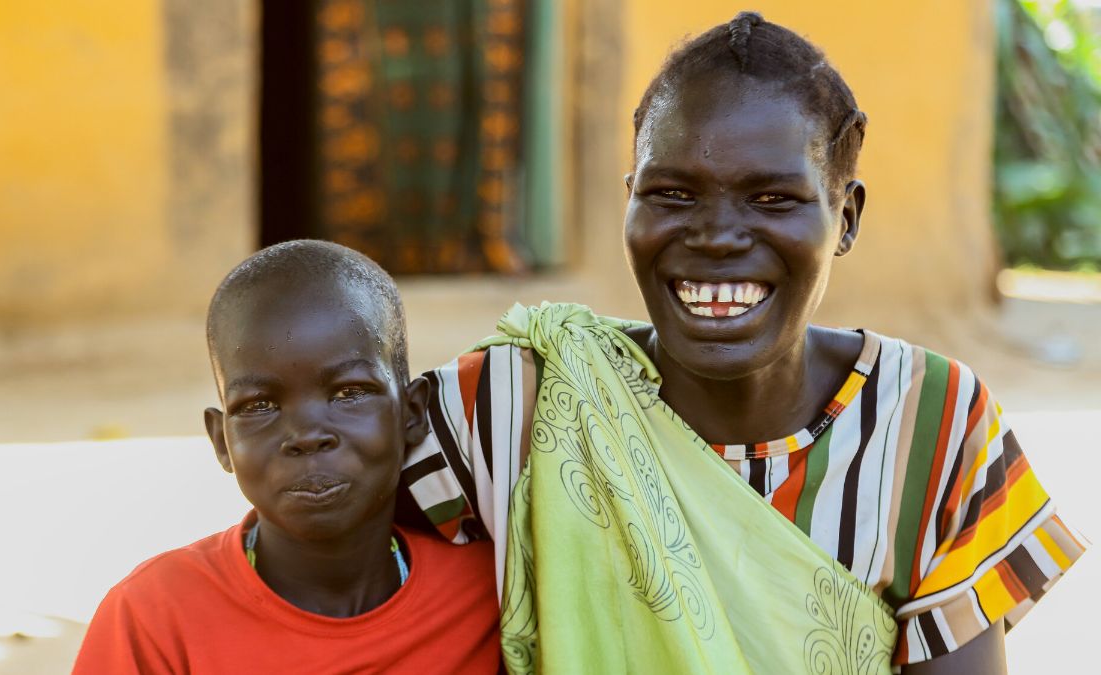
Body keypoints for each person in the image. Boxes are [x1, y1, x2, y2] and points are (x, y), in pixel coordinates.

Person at [402, 12, 1085, 675]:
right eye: (671, 194)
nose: (717, 235)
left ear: (845, 217)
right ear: (630, 200)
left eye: (772, 199)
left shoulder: (932, 428)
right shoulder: (515, 405)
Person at [73, 240, 501, 674]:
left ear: (410, 413)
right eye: (259, 405)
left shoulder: (493, 596)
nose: (306, 436)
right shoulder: (154, 618)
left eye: (349, 393)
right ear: (222, 440)